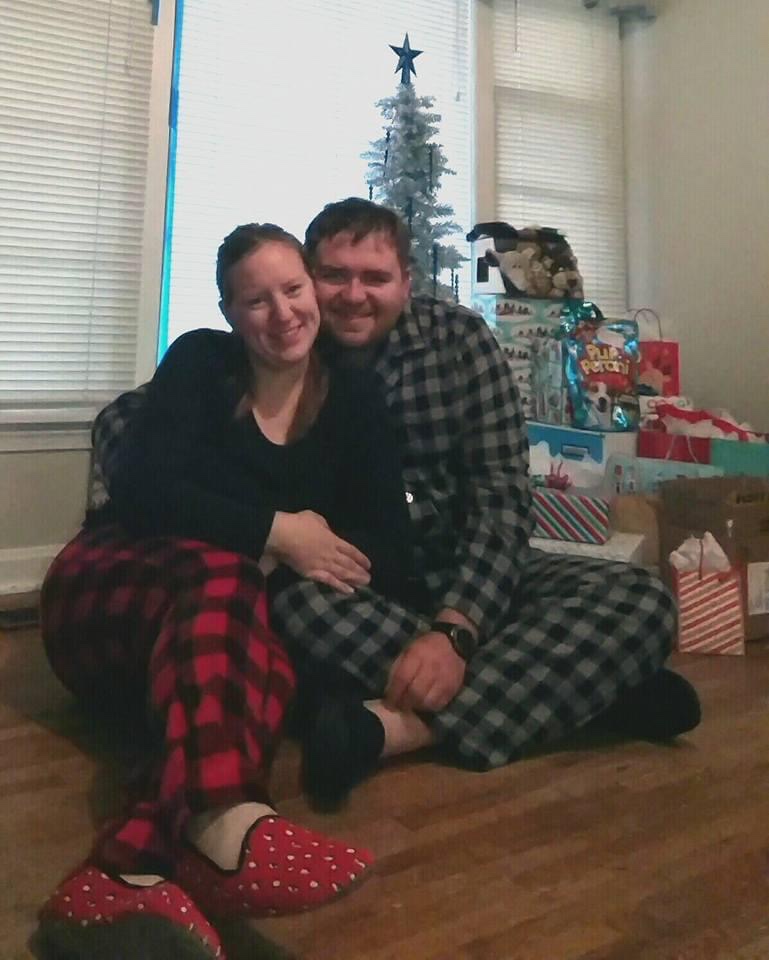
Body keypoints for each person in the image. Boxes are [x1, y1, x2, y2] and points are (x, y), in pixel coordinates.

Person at [37, 222, 413, 959]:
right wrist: (277, 532)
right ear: (229, 313)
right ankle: (226, 832)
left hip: (209, 642)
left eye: (293, 289)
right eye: (256, 300)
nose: (283, 313)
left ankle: (126, 876)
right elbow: (141, 489)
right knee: (229, 573)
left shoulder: (354, 398)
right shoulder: (200, 363)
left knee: (255, 636)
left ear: (312, 290)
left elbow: (391, 551)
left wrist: (295, 550)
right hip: (110, 592)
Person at [265, 197, 701, 807]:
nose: (353, 295)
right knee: (292, 605)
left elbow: (502, 498)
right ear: (309, 277)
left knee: (643, 599)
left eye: (375, 277)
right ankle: (588, 694)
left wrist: (456, 632)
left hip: (475, 574)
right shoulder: (283, 347)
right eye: (334, 275)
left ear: (406, 282)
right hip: (358, 586)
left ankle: (390, 729)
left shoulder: (460, 341)